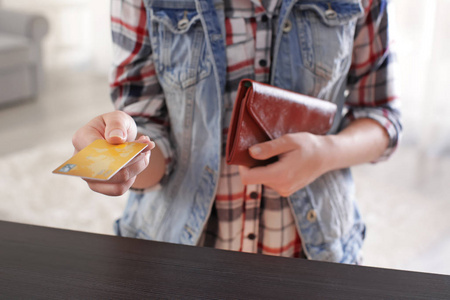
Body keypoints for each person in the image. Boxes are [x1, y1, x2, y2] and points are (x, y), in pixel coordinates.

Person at [73, 0, 401, 263]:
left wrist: (325, 154)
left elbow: (382, 115)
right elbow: (148, 131)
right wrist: (119, 161)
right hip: (176, 251)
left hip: (315, 250)